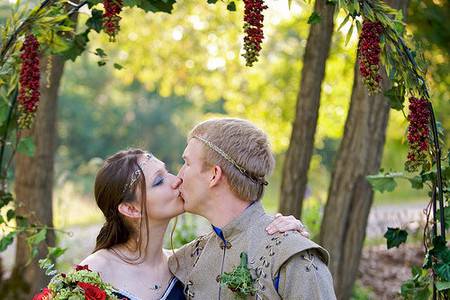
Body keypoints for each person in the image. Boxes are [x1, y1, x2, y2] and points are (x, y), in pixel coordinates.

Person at [80, 149, 307, 300]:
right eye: (159, 181)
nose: (176, 179)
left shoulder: (187, 261)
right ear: (131, 208)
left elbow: (244, 239)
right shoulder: (94, 272)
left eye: (167, 170)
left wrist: (281, 233)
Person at [169, 118, 336, 299]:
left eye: (187, 163)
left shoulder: (293, 258)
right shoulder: (190, 257)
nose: (179, 177)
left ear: (214, 175)